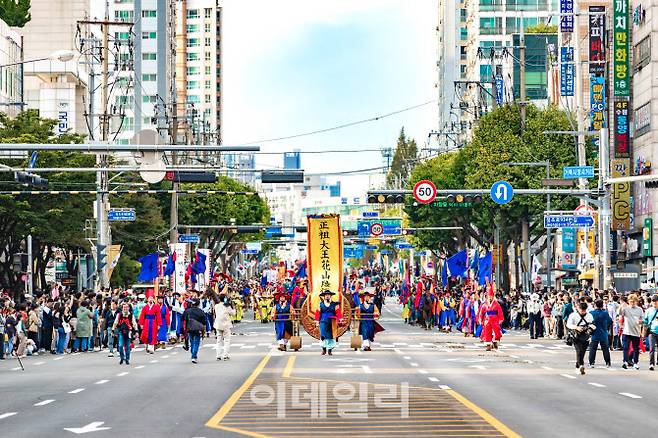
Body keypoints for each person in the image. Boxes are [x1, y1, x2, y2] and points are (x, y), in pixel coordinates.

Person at [566, 301, 596, 375]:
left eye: (584, 310)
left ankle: (577, 366)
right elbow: (568, 324)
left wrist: (589, 329)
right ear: (578, 308)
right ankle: (581, 365)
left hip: (585, 335)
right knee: (579, 350)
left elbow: (593, 325)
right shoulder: (573, 315)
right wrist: (576, 327)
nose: (583, 312)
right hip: (576, 335)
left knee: (583, 351)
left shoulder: (589, 315)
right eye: (581, 310)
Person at [314, 290, 343, 355]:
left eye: (328, 295)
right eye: (326, 295)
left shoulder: (335, 304)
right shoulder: (320, 304)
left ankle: (330, 350)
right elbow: (318, 313)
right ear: (324, 296)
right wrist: (317, 321)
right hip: (323, 321)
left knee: (331, 336)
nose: (327, 296)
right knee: (323, 335)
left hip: (332, 322)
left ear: (330, 296)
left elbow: (338, 312)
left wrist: (340, 319)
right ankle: (324, 349)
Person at [621, 294, 644, 369]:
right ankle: (625, 361)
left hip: (636, 331)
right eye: (631, 302)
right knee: (625, 347)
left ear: (636, 301)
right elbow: (619, 313)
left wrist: (640, 321)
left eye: (634, 302)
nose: (632, 303)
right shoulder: (626, 309)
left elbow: (643, 319)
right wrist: (622, 306)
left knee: (635, 348)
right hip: (626, 331)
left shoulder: (639, 309)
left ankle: (635, 363)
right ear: (628, 301)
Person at [588, 299, 612, 368]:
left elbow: (588, 322)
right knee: (605, 349)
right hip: (603, 333)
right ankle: (608, 362)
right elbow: (610, 321)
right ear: (602, 305)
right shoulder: (605, 313)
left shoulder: (591, 313)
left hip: (594, 333)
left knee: (593, 348)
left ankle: (591, 362)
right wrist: (606, 327)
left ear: (595, 305)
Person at [183, 298, 206, 363]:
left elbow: (183, 319)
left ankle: (193, 354)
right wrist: (204, 330)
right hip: (197, 329)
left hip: (189, 328)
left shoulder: (187, 311)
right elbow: (204, 322)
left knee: (192, 341)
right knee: (196, 342)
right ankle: (194, 356)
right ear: (198, 304)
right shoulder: (201, 311)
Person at [214, 295, 236, 361]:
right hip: (226, 325)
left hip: (218, 325)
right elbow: (233, 313)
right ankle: (225, 355)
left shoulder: (216, 306)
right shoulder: (227, 306)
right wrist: (233, 307)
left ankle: (218, 355)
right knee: (227, 340)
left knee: (219, 340)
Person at [643, 294, 658, 371]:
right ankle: (651, 363)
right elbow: (645, 321)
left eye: (656, 301)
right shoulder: (648, 311)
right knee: (652, 348)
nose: (654, 302)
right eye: (653, 301)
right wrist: (643, 331)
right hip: (652, 332)